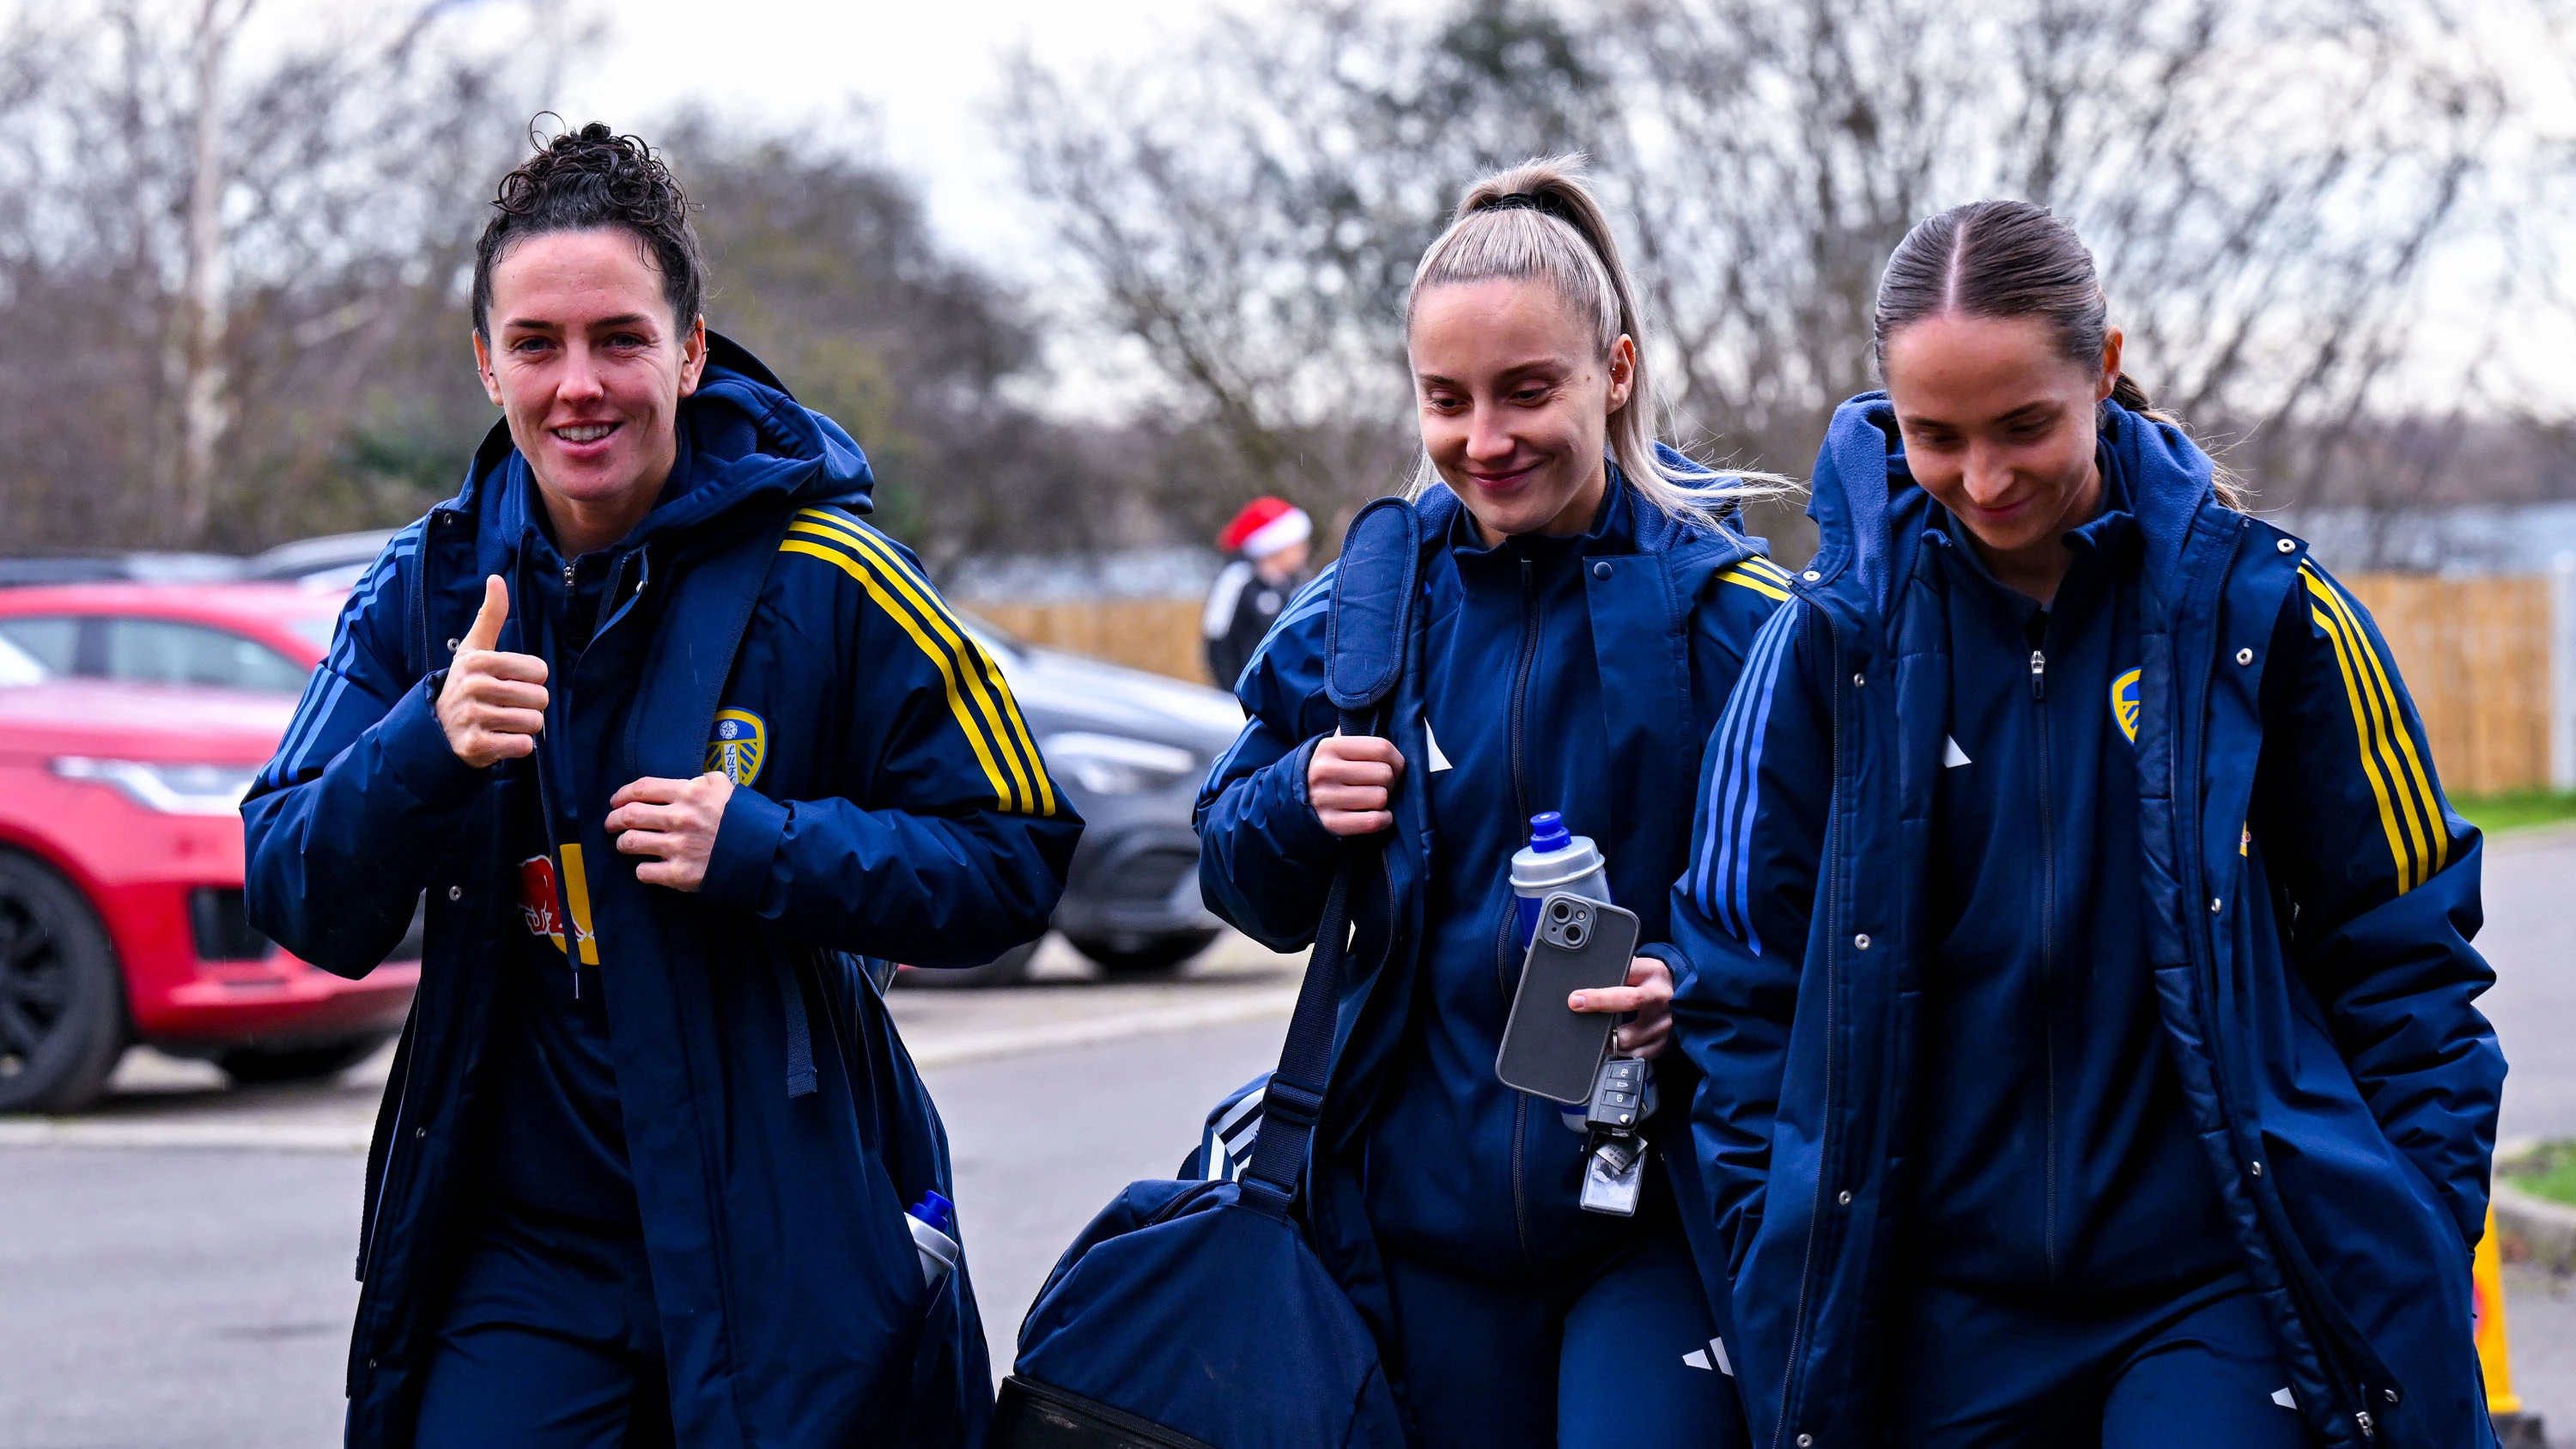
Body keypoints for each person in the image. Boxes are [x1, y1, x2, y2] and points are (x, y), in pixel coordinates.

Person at [240, 125, 1079, 1449]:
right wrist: (425, 743)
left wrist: (765, 843)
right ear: (488, 362)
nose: (580, 384)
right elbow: (291, 884)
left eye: (621, 338)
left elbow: (1015, 856)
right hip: (521, 1259)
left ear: (690, 351)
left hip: (784, 1246)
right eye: (538, 344)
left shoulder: (830, 573)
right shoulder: (429, 586)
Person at [1668, 199, 2504, 1448]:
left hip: (2217, 1290)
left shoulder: (2271, 616)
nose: (1985, 480)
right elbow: (1736, 984)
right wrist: (1774, 1247)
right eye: (1934, 437)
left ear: (2103, 367)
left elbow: (2409, 958)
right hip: (1930, 1315)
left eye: (2024, 426)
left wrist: (2414, 1233)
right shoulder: (1822, 645)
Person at [1197, 156, 1791, 1449]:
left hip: (1660, 1227)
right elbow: (1236, 873)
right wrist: (1296, 800)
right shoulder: (1364, 614)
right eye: (1446, 400)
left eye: (1529, 390)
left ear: (1616, 370)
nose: (1485, 438)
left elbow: (1852, 917)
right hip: (1413, 1234)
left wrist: (1697, 982)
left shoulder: (1740, 622)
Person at [1202, 496, 1314, 688]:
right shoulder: (1237, 580)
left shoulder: (1300, 584)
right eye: (1297, 544)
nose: (1304, 551)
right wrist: (1233, 691)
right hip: (1242, 696)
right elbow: (1217, 640)